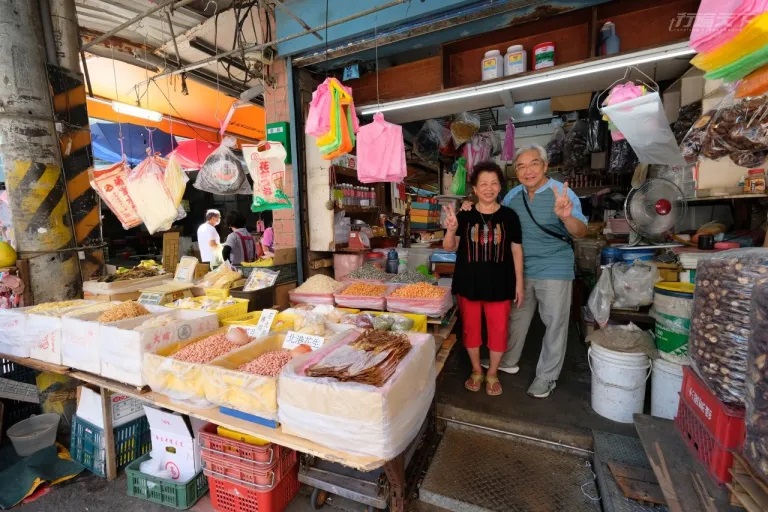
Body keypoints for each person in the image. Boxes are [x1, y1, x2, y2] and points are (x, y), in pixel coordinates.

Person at [464, 144, 587, 398]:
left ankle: (546, 377)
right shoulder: (513, 196)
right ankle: (507, 361)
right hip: (519, 269)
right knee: (517, 319)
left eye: (533, 164)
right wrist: (467, 206)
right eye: (521, 166)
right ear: (515, 172)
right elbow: (490, 211)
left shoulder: (562, 193)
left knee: (554, 324)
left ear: (545, 165)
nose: (527, 170)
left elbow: (580, 231)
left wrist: (565, 216)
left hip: (554, 267)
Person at [444, 161, 524, 396]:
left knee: (499, 330)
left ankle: (492, 373)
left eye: (494, 183)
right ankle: (477, 370)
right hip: (469, 282)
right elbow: (449, 248)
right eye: (483, 184)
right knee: (470, 329)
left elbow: (516, 250)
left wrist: (519, 283)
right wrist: (450, 230)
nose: (489, 188)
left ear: (500, 187)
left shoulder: (510, 216)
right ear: (475, 189)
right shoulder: (465, 215)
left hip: (501, 283)